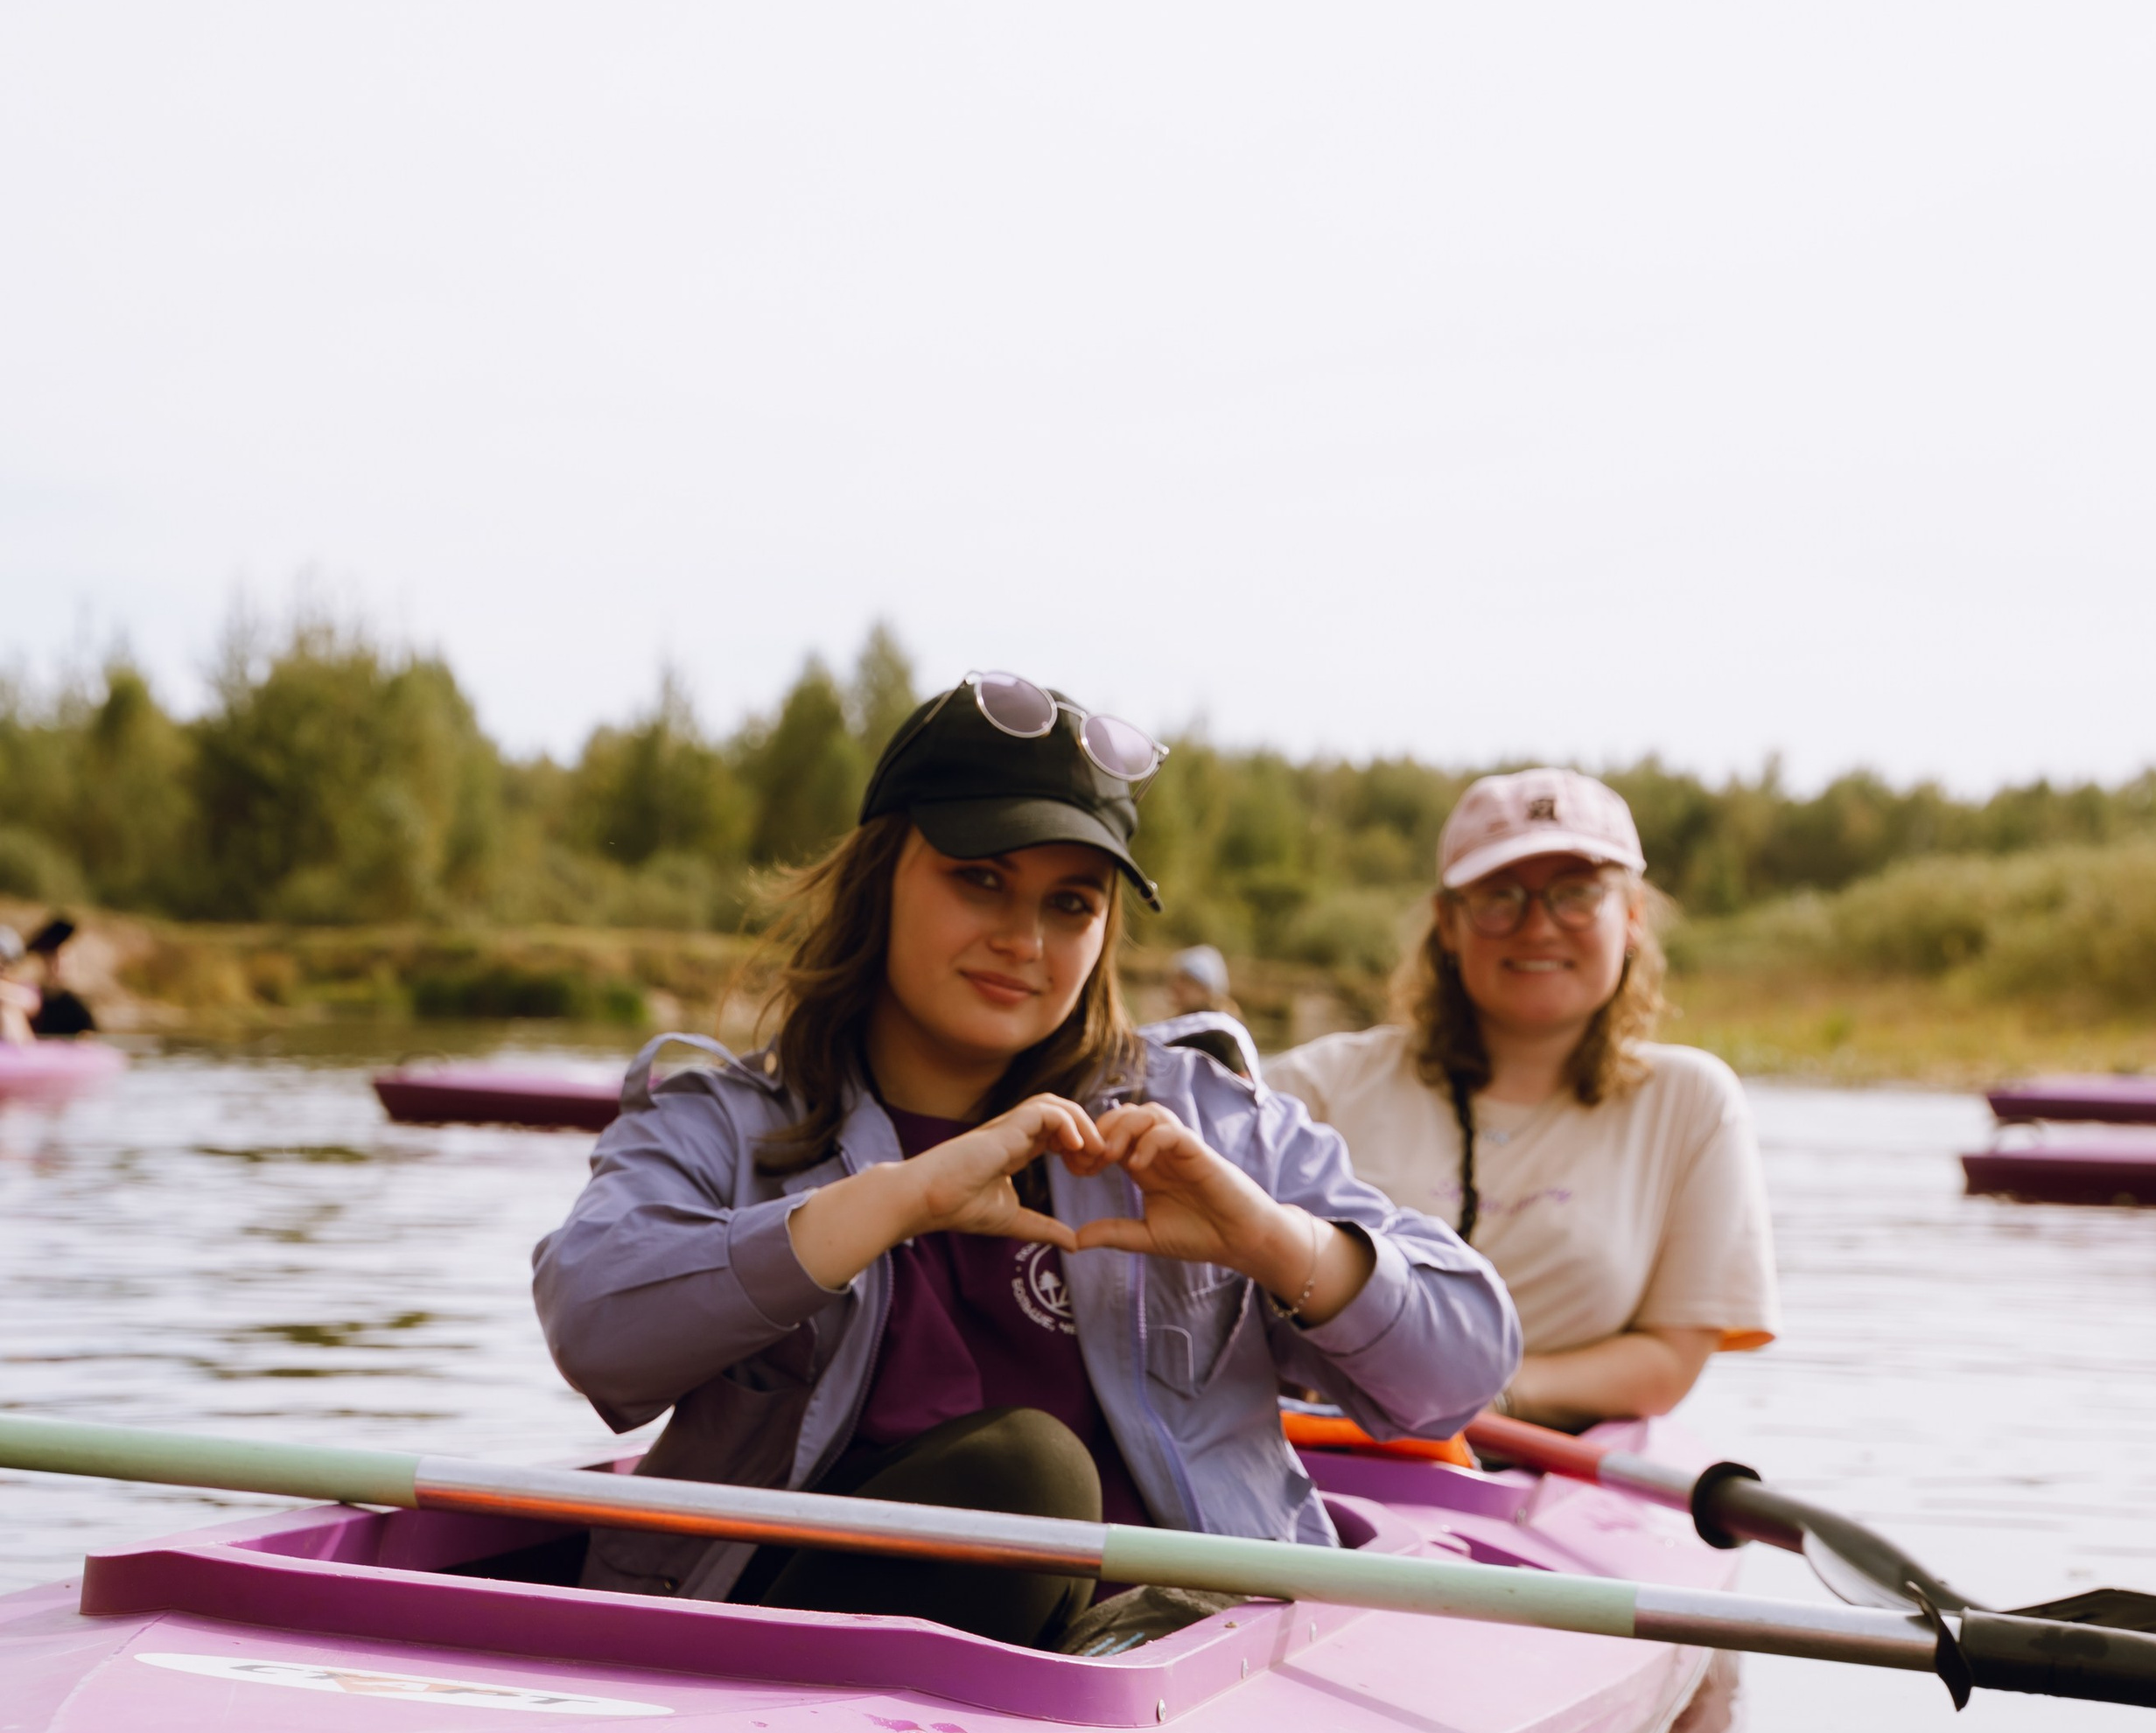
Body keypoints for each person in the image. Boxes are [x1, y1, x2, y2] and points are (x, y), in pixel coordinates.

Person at [534, 672, 1516, 1639]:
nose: (1023, 940)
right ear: (879, 881)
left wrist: (1268, 1239)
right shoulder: (720, 1119)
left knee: (1033, 1482)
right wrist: (895, 1201)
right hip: (791, 1661)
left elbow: (1462, 1372)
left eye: (1071, 904)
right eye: (980, 879)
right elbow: (595, 1333)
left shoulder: (1210, 1123)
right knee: (1023, 1475)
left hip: (1168, 1676)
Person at [1266, 767, 1776, 1424]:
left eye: (1575, 894)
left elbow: (1670, 1359)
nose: (1537, 927)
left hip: (1548, 1463)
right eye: (1499, 897)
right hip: (1326, 1445)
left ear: (1632, 918)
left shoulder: (1693, 1104)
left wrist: (1484, 1395)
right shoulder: (1315, 1087)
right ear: (1449, 923)